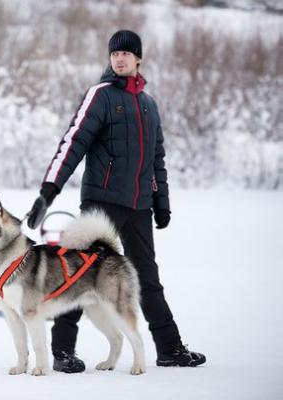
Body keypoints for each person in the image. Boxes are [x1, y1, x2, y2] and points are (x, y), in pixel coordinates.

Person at [27, 30, 206, 373]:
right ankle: (63, 351)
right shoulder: (101, 96)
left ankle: (169, 349)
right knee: (77, 274)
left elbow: (157, 160)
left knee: (147, 277)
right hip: (101, 202)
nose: (119, 58)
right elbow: (73, 143)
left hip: (138, 206)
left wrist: (161, 202)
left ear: (139, 59)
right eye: (114, 54)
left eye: (126, 53)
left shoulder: (149, 104)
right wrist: (48, 191)